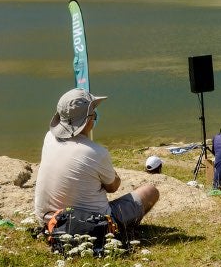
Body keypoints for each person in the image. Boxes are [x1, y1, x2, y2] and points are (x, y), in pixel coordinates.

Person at [33, 89, 159, 234]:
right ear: (88, 120)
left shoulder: (49, 137)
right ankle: (125, 231)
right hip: (89, 226)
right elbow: (113, 186)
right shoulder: (96, 152)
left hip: (48, 221)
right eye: (94, 114)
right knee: (150, 191)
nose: (95, 117)